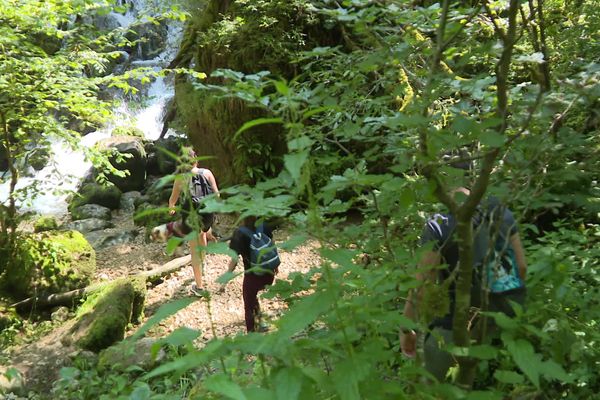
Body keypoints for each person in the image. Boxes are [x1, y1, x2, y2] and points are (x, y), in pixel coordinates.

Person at [400, 183, 528, 381]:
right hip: (507, 314)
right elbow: (521, 267)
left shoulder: (439, 224)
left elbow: (422, 289)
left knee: (427, 385)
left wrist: (406, 329)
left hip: (459, 323)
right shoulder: (499, 210)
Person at [168, 148, 219, 296]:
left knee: (194, 250)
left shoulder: (180, 178)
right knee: (202, 235)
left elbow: (173, 199)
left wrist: (171, 208)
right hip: (207, 214)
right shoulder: (207, 173)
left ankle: (199, 287)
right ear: (196, 159)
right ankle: (202, 265)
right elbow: (217, 194)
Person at [226, 216, 279, 332]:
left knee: (248, 302)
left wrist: (227, 275)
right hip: (269, 273)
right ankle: (261, 323)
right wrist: (276, 265)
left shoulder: (239, 233)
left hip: (253, 275)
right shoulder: (263, 225)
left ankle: (251, 333)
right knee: (253, 297)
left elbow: (234, 260)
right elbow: (272, 244)